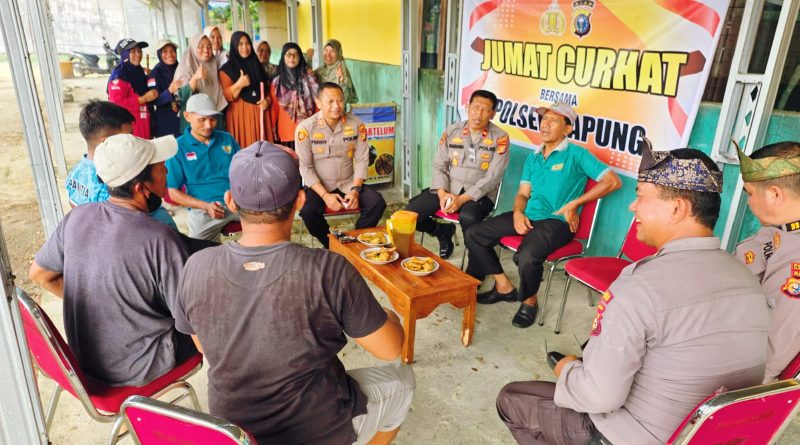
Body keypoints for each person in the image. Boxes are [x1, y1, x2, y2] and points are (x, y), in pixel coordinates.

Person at [495, 144, 769, 445]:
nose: (632, 206)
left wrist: (568, 369)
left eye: (640, 195)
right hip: (710, 436)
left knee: (512, 398)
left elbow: (599, 396)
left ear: (677, 208)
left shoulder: (641, 285)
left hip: (631, 436)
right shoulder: (748, 279)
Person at [172, 141, 414, 444]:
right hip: (317, 429)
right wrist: (391, 315)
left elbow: (204, 347)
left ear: (231, 201)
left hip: (235, 432)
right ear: (300, 201)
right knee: (404, 380)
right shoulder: (328, 270)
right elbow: (390, 349)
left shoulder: (195, 266)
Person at [29, 133, 198, 387]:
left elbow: (39, 274)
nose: (166, 170)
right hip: (141, 367)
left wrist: (100, 304)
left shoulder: (76, 218)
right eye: (160, 167)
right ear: (141, 188)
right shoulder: (160, 239)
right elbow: (192, 324)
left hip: (86, 364)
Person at [465, 103, 621, 328]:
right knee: (474, 233)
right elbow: (522, 194)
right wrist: (518, 212)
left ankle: (529, 301)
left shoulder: (576, 154)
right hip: (529, 215)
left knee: (526, 257)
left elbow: (613, 181)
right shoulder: (534, 157)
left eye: (554, 121)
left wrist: (574, 204)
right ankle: (503, 286)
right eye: (544, 119)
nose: (545, 124)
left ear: (567, 129)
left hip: (557, 222)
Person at [406, 89, 509, 259]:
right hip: (448, 188)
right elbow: (439, 165)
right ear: (467, 107)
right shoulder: (452, 131)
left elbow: (493, 177)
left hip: (479, 195)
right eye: (476, 107)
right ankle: (442, 231)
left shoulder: (500, 138)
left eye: (485, 110)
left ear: (492, 114)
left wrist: (461, 199)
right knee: (411, 213)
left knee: (469, 217)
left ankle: (476, 266)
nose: (479, 114)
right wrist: (442, 194)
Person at [735, 141, 800, 382]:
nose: (749, 202)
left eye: (750, 193)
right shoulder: (779, 230)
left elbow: (767, 359)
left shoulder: (796, 264)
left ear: (775, 194)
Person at [296, 82, 386, 248]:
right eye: (330, 101)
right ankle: (330, 244)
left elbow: (361, 160)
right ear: (318, 102)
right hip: (318, 185)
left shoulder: (356, 124)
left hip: (348, 182)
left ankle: (353, 243)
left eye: (340, 100)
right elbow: (305, 168)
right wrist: (325, 196)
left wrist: (355, 190)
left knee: (377, 203)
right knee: (308, 212)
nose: (336, 106)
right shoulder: (305, 129)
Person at [67, 100, 176, 229]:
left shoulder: (75, 174)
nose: (133, 139)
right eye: (128, 135)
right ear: (106, 142)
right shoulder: (114, 185)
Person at [167, 94, 241, 241]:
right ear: (187, 116)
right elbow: (173, 192)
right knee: (200, 253)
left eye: (212, 119)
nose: (208, 125)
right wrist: (205, 206)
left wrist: (239, 195)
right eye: (202, 119)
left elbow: (243, 171)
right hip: (203, 210)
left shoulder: (227, 139)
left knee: (268, 227)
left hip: (238, 202)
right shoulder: (178, 147)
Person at [219, 31, 273, 147]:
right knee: (245, 152)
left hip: (260, 115)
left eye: (247, 43)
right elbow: (226, 96)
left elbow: (268, 90)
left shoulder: (257, 65)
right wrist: (239, 84)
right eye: (240, 44)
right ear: (234, 46)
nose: (245, 47)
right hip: (240, 118)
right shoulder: (227, 69)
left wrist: (267, 101)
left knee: (263, 153)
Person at [174, 33, 228, 133]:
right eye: (201, 46)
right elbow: (181, 97)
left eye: (209, 46)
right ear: (194, 48)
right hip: (195, 123)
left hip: (214, 118)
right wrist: (195, 78)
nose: (206, 50)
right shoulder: (186, 67)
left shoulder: (213, 64)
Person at [271, 42, 319, 149]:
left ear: (300, 57)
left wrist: (318, 124)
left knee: (307, 163)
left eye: (295, 54)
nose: (292, 57)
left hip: (308, 129)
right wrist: (273, 127)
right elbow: (274, 108)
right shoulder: (277, 82)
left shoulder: (310, 78)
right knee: (289, 163)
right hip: (286, 131)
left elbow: (317, 103)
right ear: (283, 57)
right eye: (288, 54)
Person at [108, 38, 157, 139]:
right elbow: (116, 104)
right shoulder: (119, 75)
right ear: (125, 55)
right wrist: (144, 99)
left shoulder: (138, 70)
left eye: (139, 51)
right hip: (131, 130)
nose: (138, 54)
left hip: (145, 125)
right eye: (133, 51)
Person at [148, 40, 181, 138]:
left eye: (172, 51)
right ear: (159, 54)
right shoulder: (155, 73)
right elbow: (154, 101)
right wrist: (169, 91)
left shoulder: (180, 68)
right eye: (165, 51)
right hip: (166, 121)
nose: (170, 54)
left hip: (183, 118)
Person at [314, 39, 358, 107]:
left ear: (338, 54)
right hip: (322, 111)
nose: (328, 54)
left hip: (335, 112)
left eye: (332, 51)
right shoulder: (321, 70)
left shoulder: (341, 70)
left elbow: (343, 99)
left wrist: (342, 82)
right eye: (326, 50)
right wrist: (309, 61)